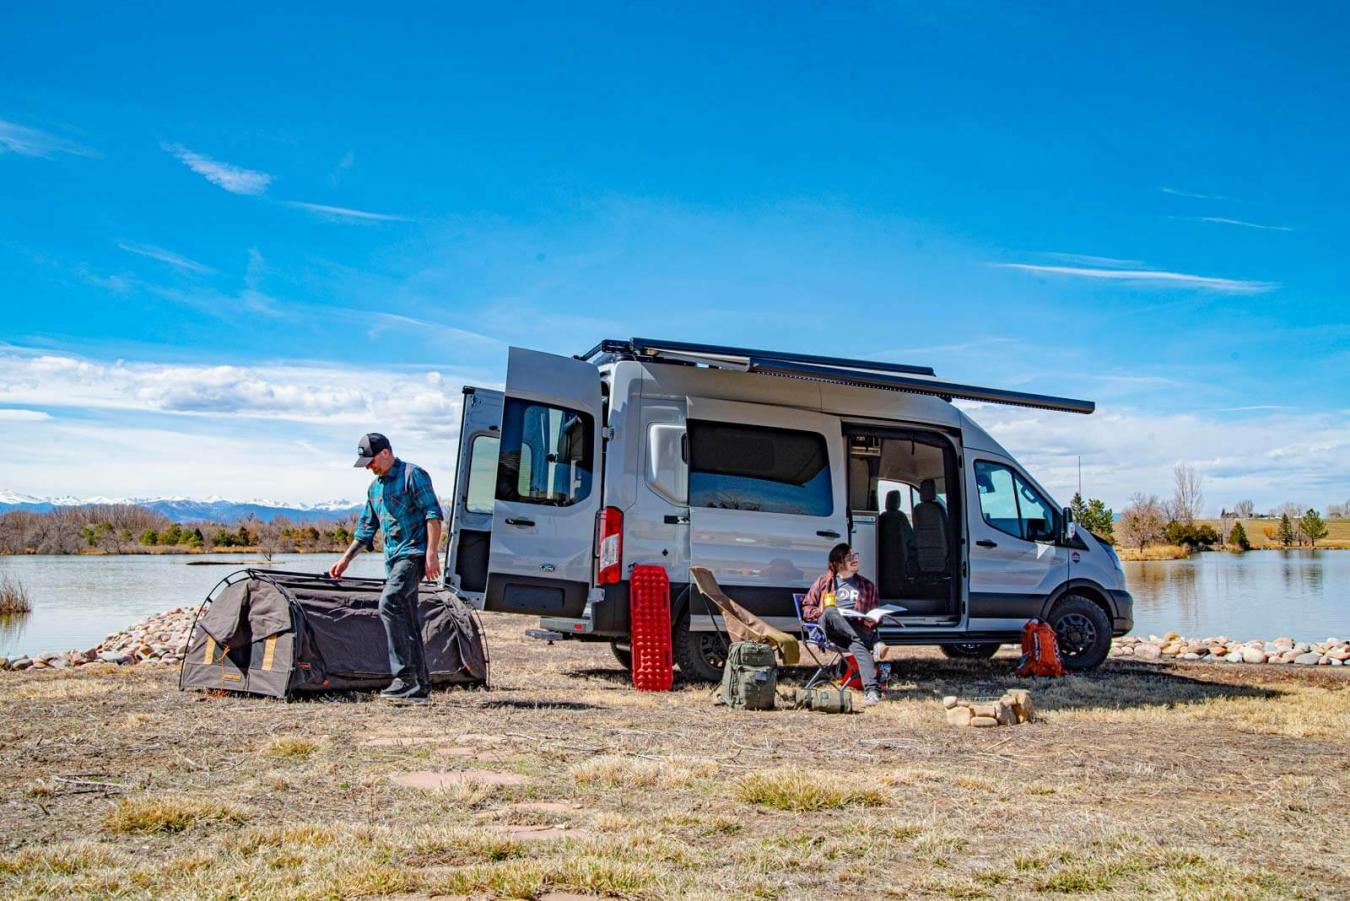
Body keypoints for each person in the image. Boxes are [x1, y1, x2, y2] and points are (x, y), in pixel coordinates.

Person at [328, 433, 444, 704]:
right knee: (407, 619)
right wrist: (345, 559)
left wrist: (431, 554)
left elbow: (433, 515)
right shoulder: (375, 489)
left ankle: (404, 678)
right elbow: (366, 529)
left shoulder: (413, 475)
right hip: (392, 561)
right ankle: (420, 687)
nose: (369, 467)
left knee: (389, 603)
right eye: (366, 464)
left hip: (413, 555)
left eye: (371, 461)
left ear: (386, 453)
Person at [800, 542, 883, 706]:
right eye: (849, 557)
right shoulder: (824, 582)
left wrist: (872, 619)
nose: (855, 560)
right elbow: (807, 608)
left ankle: (872, 692)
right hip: (829, 630)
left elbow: (875, 616)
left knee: (858, 644)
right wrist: (820, 612)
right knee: (831, 611)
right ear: (837, 564)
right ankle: (875, 641)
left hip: (852, 633)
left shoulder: (867, 586)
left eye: (855, 556)